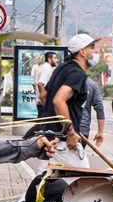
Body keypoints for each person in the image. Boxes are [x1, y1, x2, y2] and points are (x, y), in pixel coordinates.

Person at [39, 34, 98, 168]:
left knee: (46, 178)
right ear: (83, 52)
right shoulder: (77, 74)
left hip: (50, 138)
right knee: (84, 178)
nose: (96, 51)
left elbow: (44, 96)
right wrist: (70, 132)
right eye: (92, 47)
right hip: (63, 142)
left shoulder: (62, 68)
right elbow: (58, 100)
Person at [78, 77, 105, 146]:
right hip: (83, 128)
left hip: (64, 128)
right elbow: (99, 108)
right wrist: (100, 131)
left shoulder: (62, 79)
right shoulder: (91, 84)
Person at [36, 52, 59, 117]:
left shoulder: (43, 68)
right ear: (49, 59)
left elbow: (34, 84)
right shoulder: (47, 69)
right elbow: (40, 84)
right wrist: (43, 100)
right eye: (55, 58)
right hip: (44, 104)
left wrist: (38, 96)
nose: (57, 60)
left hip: (41, 103)